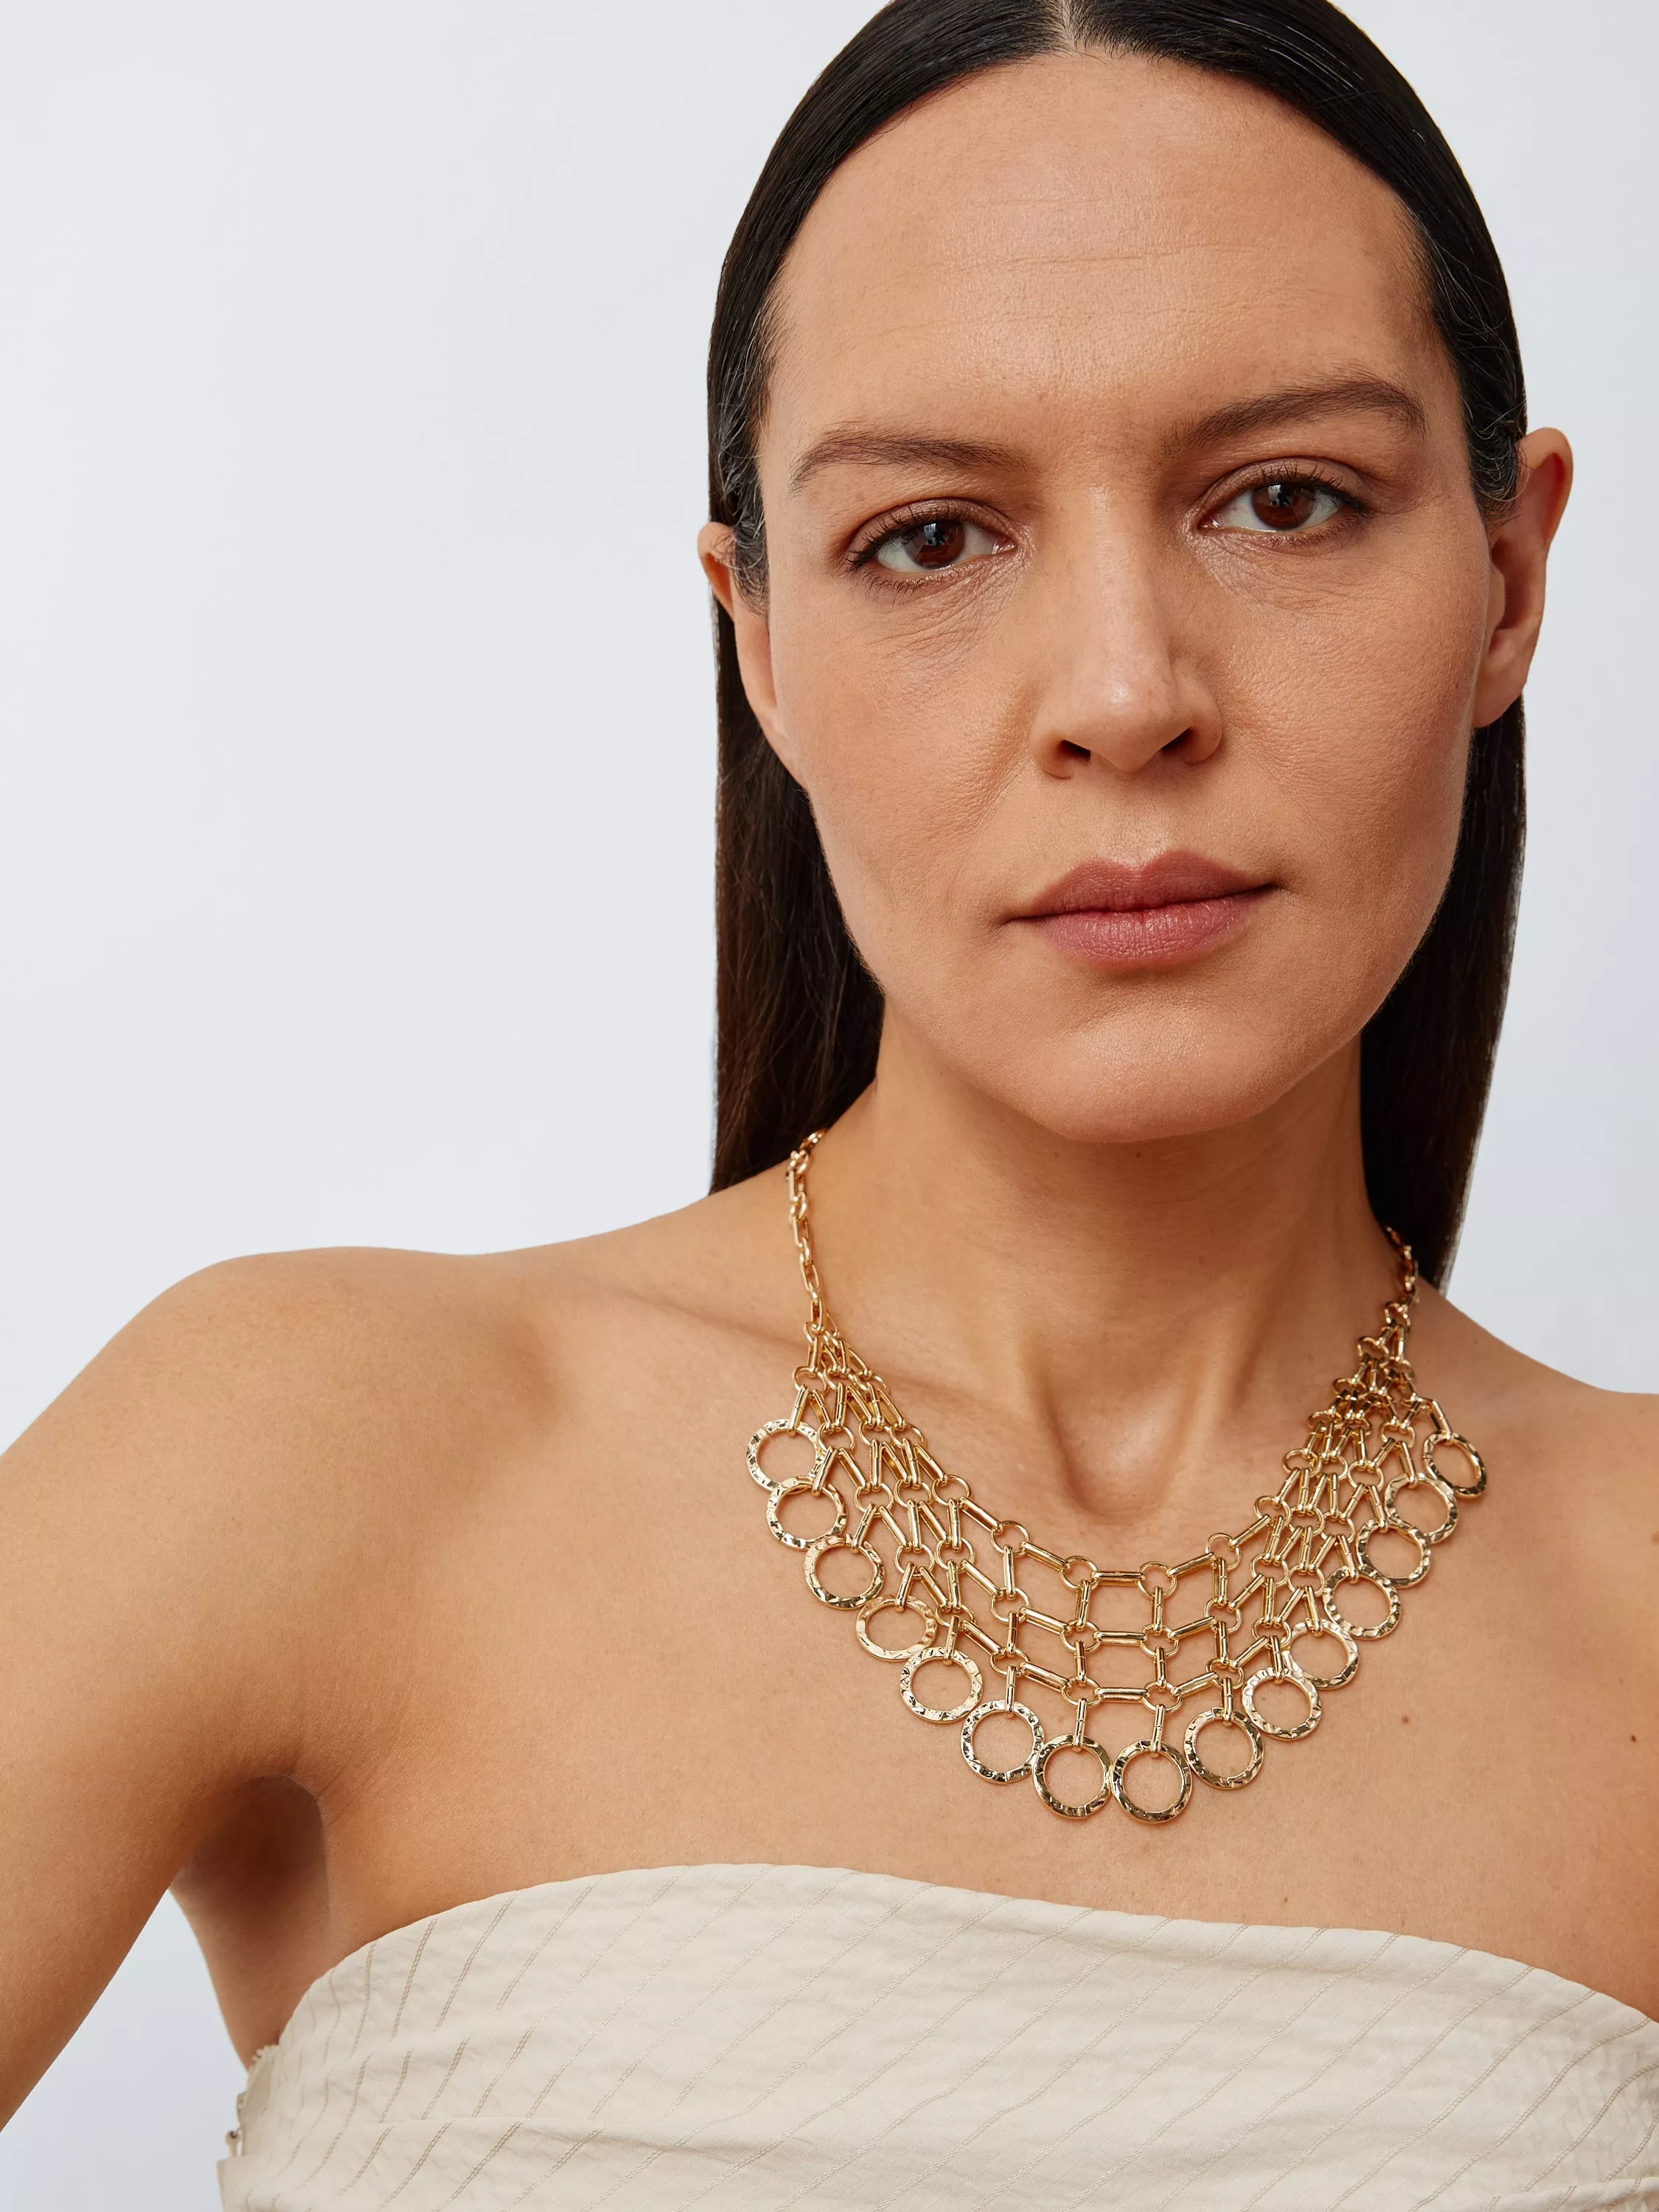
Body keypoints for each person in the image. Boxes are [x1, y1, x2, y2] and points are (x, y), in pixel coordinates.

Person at [3, 0, 1655, 2204]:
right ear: (757, 636)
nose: (1126, 695)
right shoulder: (316, 1446)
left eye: (1287, 500)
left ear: (1507, 575)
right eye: (930, 540)